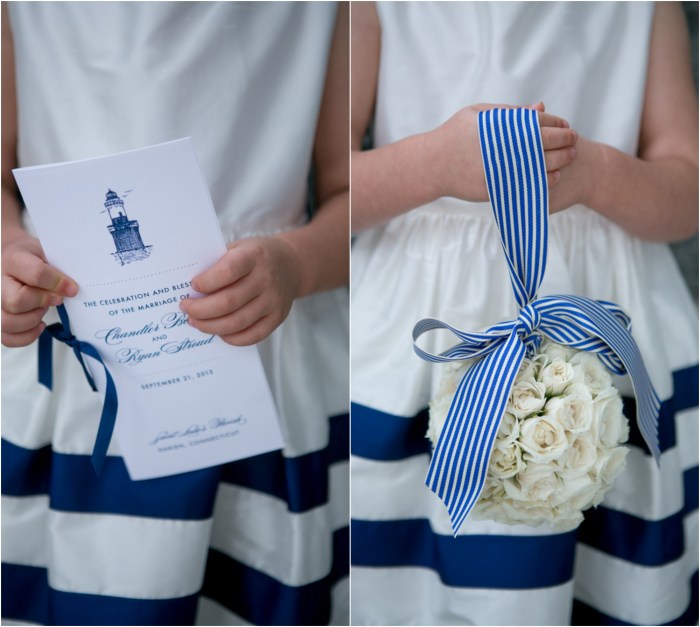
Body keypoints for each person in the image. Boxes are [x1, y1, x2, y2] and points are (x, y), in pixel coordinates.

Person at [1, 2, 348, 625]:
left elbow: (349, 187)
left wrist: (297, 265)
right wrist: (6, 251)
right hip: (61, 364)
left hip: (260, 349)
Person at [351, 2, 697, 625]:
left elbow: (688, 191)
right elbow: (329, 184)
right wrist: (432, 165)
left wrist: (596, 175)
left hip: (608, 309)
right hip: (424, 313)